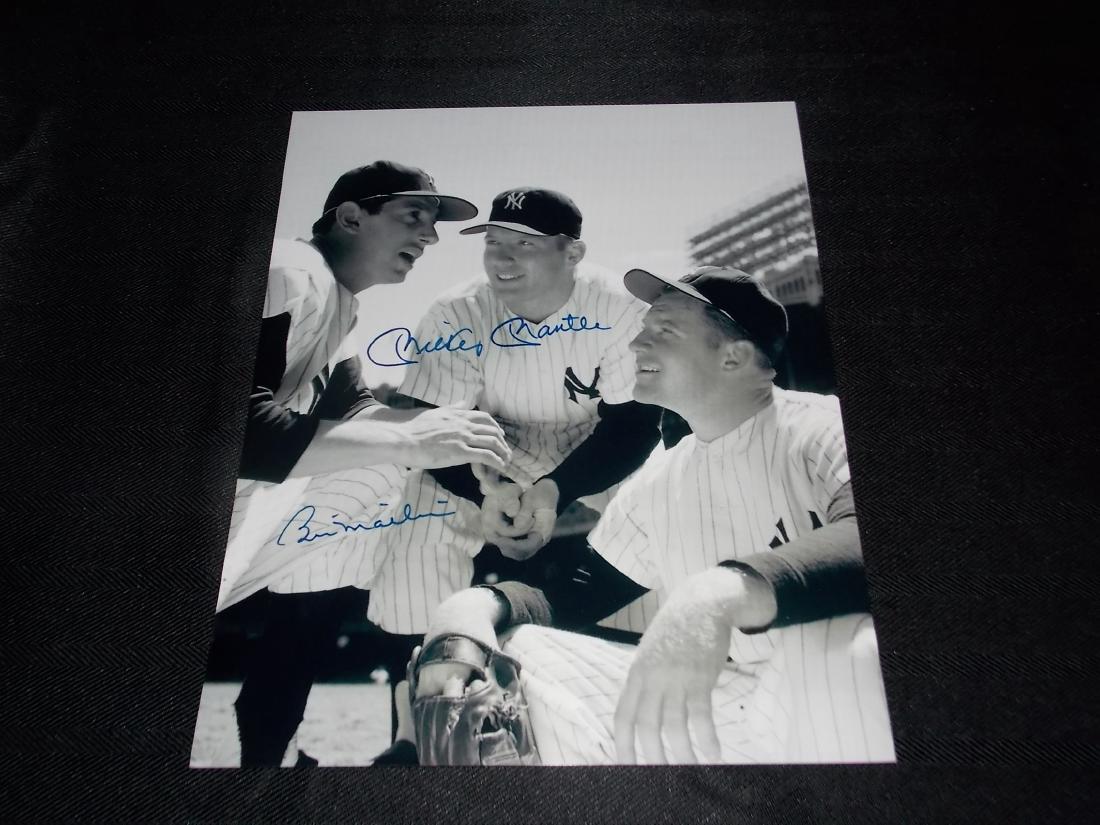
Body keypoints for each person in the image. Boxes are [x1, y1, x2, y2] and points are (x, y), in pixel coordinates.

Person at [403, 266, 895, 765]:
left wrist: (717, 593)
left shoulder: (823, 428)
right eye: (643, 329)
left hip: (841, 702)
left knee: (850, 648)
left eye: (665, 330)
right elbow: (576, 595)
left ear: (734, 356)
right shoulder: (659, 480)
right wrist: (474, 607)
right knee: (520, 652)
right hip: (730, 707)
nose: (637, 344)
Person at [216, 161, 512, 767]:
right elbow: (232, 431)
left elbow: (357, 414)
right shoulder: (289, 271)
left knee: (379, 479)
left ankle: (273, 750)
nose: (430, 236)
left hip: (233, 519)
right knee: (376, 471)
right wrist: (411, 440)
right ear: (351, 217)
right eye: (413, 216)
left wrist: (467, 450)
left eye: (433, 223)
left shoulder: (338, 301)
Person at [362, 187, 662, 637]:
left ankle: (640, 646)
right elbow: (428, 428)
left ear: (573, 253)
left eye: (525, 243)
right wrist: (485, 493)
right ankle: (433, 659)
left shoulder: (619, 305)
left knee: (661, 506)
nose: (503, 258)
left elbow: (635, 425)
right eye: (494, 242)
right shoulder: (456, 311)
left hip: (596, 439)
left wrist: (557, 489)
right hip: (492, 445)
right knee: (420, 518)